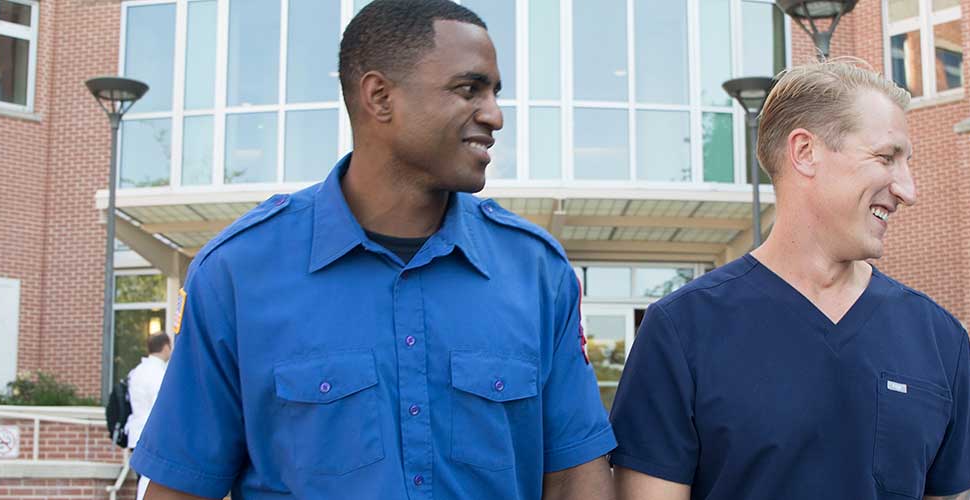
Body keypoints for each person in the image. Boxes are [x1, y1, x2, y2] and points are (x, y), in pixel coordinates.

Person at [128, 1, 615, 498]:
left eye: (494, 93)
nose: (494, 115)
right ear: (380, 97)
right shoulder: (237, 273)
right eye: (469, 89)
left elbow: (578, 477)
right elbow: (181, 486)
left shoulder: (536, 272)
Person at [609, 60, 970, 500]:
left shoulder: (940, 338)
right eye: (886, 157)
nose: (908, 189)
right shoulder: (681, 331)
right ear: (805, 153)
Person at [126, 333, 173, 500]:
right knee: (149, 485)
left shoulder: (137, 371)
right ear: (166, 347)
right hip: (153, 436)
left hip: (136, 433)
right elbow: (162, 406)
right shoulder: (158, 373)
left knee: (143, 482)